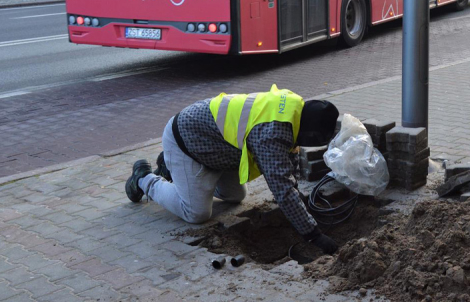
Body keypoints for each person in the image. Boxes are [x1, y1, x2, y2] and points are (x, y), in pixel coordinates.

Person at [124, 85, 340, 255]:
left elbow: (288, 165)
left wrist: (300, 202)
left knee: (236, 196)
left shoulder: (294, 110)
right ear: (309, 134)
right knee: (196, 213)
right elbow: (281, 188)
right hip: (185, 141)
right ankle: (145, 179)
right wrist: (313, 235)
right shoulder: (272, 133)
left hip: (217, 149)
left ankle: (176, 170)